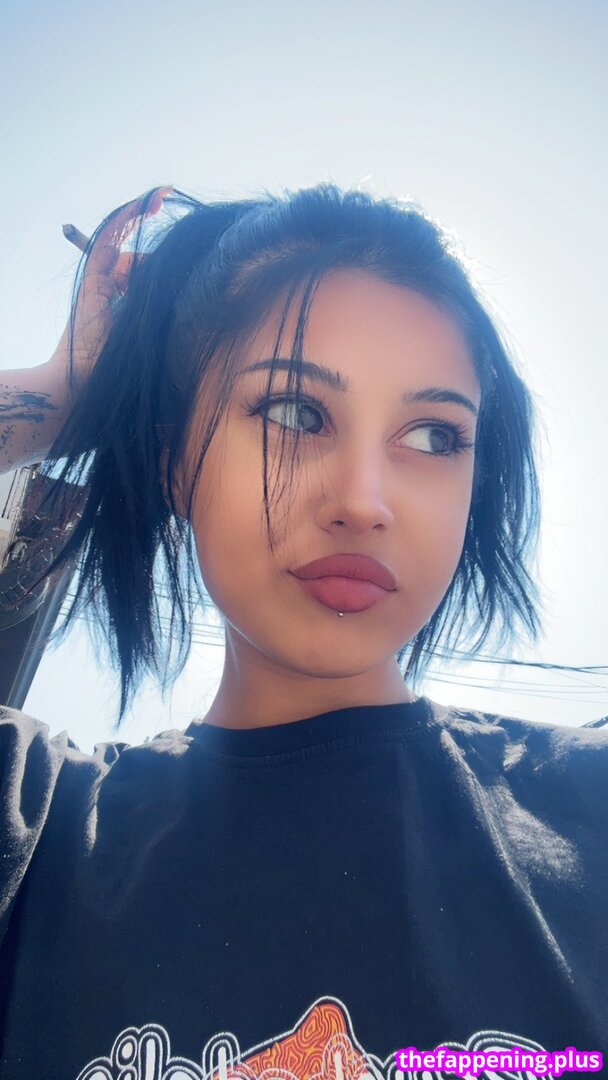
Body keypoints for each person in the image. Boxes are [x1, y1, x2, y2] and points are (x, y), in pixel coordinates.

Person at [0, 184, 605, 1080]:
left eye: (435, 437)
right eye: (293, 412)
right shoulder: (37, 837)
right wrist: (68, 395)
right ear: (174, 462)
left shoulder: (589, 803)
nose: (363, 501)